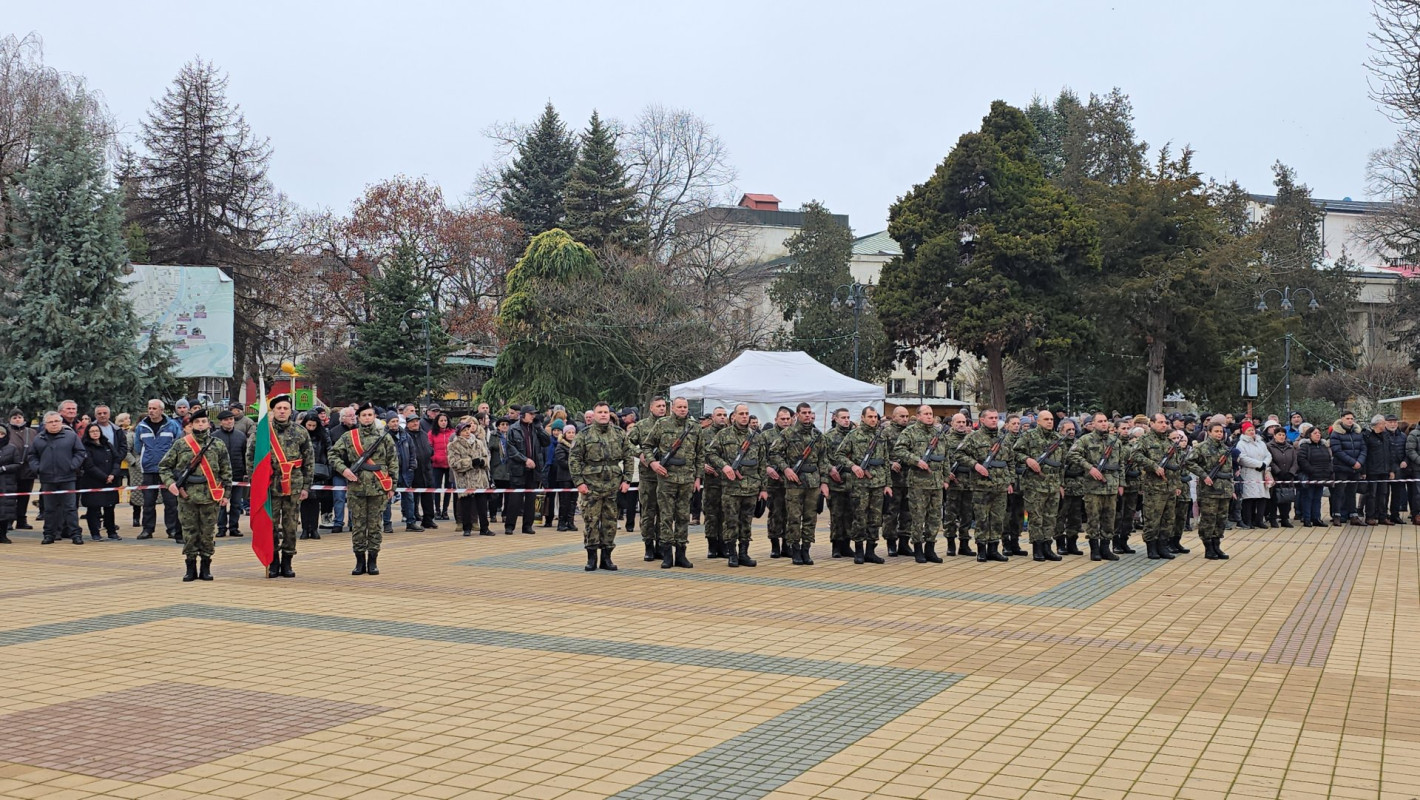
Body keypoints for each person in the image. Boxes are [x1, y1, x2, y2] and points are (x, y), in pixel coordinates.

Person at [157, 408, 231, 581]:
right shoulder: (181, 444)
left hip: (210, 496)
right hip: (187, 496)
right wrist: (170, 484)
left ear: (209, 424)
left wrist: (226, 494)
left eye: (203, 421)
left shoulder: (218, 444)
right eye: (197, 422)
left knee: (207, 533)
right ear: (191, 425)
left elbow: (226, 471)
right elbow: (164, 466)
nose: (201, 425)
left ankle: (206, 567)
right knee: (189, 532)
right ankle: (190, 568)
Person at [247, 395, 314, 578]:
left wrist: (306, 486)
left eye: (285, 408)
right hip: (270, 486)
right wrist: (257, 483)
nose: (282, 411)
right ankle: (273, 561)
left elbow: (309, 460)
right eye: (279, 408)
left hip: (293, 485)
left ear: (291, 411)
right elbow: (251, 458)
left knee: (290, 526)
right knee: (270, 525)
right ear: (273, 411)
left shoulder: (300, 432)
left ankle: (287, 562)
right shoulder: (262, 433)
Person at [330, 403, 396, 576]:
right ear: (358, 418)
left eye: (370, 415)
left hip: (378, 487)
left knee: (374, 526)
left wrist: (392, 486)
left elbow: (393, 462)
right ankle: (359, 561)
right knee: (358, 526)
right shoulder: (349, 437)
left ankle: (373, 561)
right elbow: (333, 455)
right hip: (357, 488)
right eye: (364, 415)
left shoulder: (384, 437)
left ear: (374, 417)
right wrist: (344, 469)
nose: (367, 418)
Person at [569, 402, 631, 571]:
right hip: (591, 486)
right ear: (594, 415)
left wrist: (627, 480)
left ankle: (606, 557)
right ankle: (591, 558)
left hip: (613, 485)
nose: (603, 415)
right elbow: (574, 459)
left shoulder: (619, 433)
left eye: (606, 412)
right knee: (591, 521)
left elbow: (628, 457)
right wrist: (579, 482)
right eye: (600, 412)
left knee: (610, 522)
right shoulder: (584, 434)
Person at [708, 403, 767, 568]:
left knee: (746, 522)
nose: (744, 416)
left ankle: (743, 553)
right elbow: (710, 453)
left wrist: (763, 488)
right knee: (730, 522)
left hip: (751, 487)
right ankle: (732, 554)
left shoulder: (756, 437)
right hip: (731, 488)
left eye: (747, 413)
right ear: (733, 416)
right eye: (741, 413)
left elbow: (763, 463)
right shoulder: (723, 435)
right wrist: (724, 466)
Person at [770, 403, 828, 565]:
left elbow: (823, 460)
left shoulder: (818, 435)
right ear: (797, 415)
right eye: (804, 413)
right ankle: (795, 549)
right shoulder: (787, 433)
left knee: (811, 518)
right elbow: (774, 453)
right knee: (794, 517)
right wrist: (786, 469)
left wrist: (824, 482)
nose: (807, 415)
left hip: (813, 482)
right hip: (794, 482)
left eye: (809, 412)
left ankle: (806, 549)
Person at [646, 397, 701, 569]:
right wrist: (652, 463)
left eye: (685, 407)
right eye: (679, 407)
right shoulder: (662, 424)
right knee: (666, 517)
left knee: (683, 517)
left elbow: (700, 454)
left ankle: (681, 554)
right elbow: (647, 446)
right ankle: (667, 554)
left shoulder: (695, 427)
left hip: (687, 479)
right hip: (667, 478)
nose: (683, 409)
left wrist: (698, 477)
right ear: (673, 408)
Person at [892, 405, 950, 564]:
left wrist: (946, 478)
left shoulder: (938, 433)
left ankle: (930, 549)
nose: (929, 416)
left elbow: (945, 457)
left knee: (935, 517)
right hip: (918, 482)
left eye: (931, 414)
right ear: (918, 416)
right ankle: (918, 548)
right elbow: (899, 450)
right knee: (918, 517)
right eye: (926, 414)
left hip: (936, 482)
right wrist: (916, 461)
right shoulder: (909, 432)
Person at [956, 409, 1016, 563]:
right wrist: (975, 465)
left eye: (996, 417)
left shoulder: (1004, 438)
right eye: (990, 418)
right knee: (982, 519)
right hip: (981, 485)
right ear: (982, 420)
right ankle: (981, 549)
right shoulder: (973, 437)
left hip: (1000, 485)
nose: (994, 420)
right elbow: (959, 454)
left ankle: (994, 549)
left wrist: (1010, 481)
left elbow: (1010, 461)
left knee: (997, 518)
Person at [834, 406, 892, 564]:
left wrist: (888, 484)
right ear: (863, 417)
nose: (873, 419)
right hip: (860, 484)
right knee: (860, 517)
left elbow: (886, 460)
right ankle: (859, 550)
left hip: (878, 482)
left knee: (876, 518)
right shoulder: (854, 435)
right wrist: (853, 466)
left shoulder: (881, 435)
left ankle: (871, 551)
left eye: (875, 417)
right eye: (870, 417)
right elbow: (839, 454)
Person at [1067, 412, 1124, 562]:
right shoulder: (1085, 440)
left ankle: (1106, 548)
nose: (1104, 423)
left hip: (1111, 485)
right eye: (1100, 421)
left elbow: (1121, 464)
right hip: (1093, 486)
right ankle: (1095, 549)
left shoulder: (1115, 441)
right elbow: (1072, 455)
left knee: (1109, 519)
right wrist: (1089, 467)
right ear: (1093, 424)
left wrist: (1121, 483)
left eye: (1105, 421)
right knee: (1093, 518)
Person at [1014, 408, 1065, 561]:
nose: (1050, 422)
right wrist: (1027, 459)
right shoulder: (1029, 436)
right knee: (1036, 518)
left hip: (1053, 484)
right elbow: (1015, 452)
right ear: (1038, 421)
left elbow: (1062, 464)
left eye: (1051, 419)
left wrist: (1061, 484)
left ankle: (1047, 547)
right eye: (1046, 419)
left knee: (1050, 517)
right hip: (1035, 485)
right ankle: (1037, 548)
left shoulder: (1058, 439)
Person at [28, 412, 86, 545]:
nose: (54, 424)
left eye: (56, 421)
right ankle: (49, 535)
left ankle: (75, 535)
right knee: (49, 509)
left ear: (61, 423)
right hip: (47, 479)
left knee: (70, 508)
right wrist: (38, 468)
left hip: (68, 478)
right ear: (45, 424)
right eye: (50, 422)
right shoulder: (38, 439)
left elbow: (80, 452)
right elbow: (32, 456)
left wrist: (73, 465)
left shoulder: (71, 436)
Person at [1128, 413, 1181, 560]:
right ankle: (1151, 547)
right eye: (1160, 422)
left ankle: (1163, 546)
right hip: (1154, 487)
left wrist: (1177, 484)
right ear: (1151, 424)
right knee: (1153, 519)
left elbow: (1176, 465)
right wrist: (1153, 465)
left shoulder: (1169, 442)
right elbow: (1135, 455)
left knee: (1168, 519)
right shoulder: (1145, 440)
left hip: (1169, 486)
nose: (1164, 425)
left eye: (1165, 422)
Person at [133, 399, 184, 540]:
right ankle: (147, 530)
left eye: (154, 408)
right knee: (148, 503)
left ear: (161, 410)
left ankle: (172, 529)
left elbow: (178, 445)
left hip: (168, 470)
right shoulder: (141, 427)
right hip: (149, 470)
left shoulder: (172, 425)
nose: (151, 411)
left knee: (171, 502)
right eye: (149, 408)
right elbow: (138, 447)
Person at [1187, 421, 1235, 560]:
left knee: (1221, 519)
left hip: (1224, 489)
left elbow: (1229, 470)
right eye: (1216, 431)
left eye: (1221, 432)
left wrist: (1231, 488)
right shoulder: (1201, 447)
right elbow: (1189, 462)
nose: (1219, 434)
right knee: (1209, 519)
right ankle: (1208, 547)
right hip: (1209, 490)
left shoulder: (1225, 448)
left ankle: (1217, 545)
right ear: (1209, 432)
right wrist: (1204, 475)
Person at [628, 398, 666, 558]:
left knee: (664, 512)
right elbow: (627, 443)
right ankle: (648, 545)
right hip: (648, 476)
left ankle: (661, 544)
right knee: (648, 512)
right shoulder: (641, 426)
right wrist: (640, 454)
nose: (662, 408)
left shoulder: (670, 425)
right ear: (651, 408)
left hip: (666, 476)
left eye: (664, 406)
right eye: (658, 406)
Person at [504, 405, 550, 535]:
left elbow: (546, 442)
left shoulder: (536, 428)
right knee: (515, 499)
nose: (533, 416)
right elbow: (511, 449)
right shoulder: (514, 429)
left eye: (534, 414)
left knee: (531, 499)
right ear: (523, 415)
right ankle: (510, 525)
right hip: (518, 469)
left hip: (534, 470)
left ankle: (527, 525)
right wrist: (525, 460)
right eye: (531, 414)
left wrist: (539, 427)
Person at [447, 419, 492, 536]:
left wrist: (483, 462)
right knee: (465, 505)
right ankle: (467, 528)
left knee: (482, 505)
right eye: (464, 430)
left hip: (480, 479)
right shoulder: (453, 445)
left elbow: (486, 456)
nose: (467, 432)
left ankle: (485, 528)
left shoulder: (478, 443)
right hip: (464, 480)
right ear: (459, 433)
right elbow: (454, 463)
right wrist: (470, 462)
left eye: (468, 429)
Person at [79, 423, 122, 541]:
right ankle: (95, 533)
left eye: (97, 431)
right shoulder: (85, 447)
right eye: (92, 431)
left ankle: (111, 531)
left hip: (110, 481)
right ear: (88, 433)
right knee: (93, 508)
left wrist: (113, 474)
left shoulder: (107, 444)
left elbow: (117, 459)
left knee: (110, 507)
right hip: (93, 482)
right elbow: (89, 465)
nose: (95, 433)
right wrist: (104, 477)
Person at [760, 407, 793, 558]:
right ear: (776, 420)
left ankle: (787, 544)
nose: (785, 421)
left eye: (788, 419)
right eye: (782, 419)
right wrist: (767, 467)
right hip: (773, 481)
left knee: (790, 513)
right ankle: (774, 545)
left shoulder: (795, 435)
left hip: (791, 481)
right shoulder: (766, 435)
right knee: (775, 513)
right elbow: (760, 456)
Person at [942, 412, 975, 557]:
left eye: (964, 422)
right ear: (952, 423)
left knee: (967, 514)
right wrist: (946, 473)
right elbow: (942, 458)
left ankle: (964, 544)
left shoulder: (971, 439)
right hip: (953, 481)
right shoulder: (946, 439)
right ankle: (950, 543)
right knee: (951, 513)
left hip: (969, 481)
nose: (961, 425)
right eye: (958, 422)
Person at [824, 408, 855, 559]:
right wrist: (830, 469)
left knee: (850, 514)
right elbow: (822, 458)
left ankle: (847, 545)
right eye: (843, 417)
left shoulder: (855, 435)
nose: (846, 420)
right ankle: (836, 546)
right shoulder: (828, 436)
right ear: (835, 419)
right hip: (836, 481)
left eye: (848, 417)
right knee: (836, 515)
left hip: (852, 481)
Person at [880, 406, 911, 557]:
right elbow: (880, 453)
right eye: (901, 416)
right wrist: (891, 463)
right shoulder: (886, 433)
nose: (905, 419)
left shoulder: (910, 432)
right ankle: (891, 542)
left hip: (909, 479)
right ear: (894, 417)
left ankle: (904, 543)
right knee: (891, 513)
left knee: (908, 513)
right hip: (893, 480)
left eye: (907, 416)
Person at [213, 410, 248, 538]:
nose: (229, 422)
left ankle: (234, 527)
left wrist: (245, 472)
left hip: (237, 474)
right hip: (220, 476)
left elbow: (244, 455)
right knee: (221, 503)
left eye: (231, 419)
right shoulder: (214, 437)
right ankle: (221, 528)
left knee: (236, 503)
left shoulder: (241, 436)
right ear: (221, 422)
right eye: (226, 420)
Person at [1328, 411, 1366, 525]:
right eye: (1347, 418)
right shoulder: (1335, 433)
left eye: (1351, 418)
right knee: (1339, 493)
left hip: (1355, 468)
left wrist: (1359, 462)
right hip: (1341, 468)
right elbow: (1337, 451)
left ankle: (1353, 516)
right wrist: (1352, 462)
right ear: (1342, 419)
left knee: (1352, 493)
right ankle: (1337, 515)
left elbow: (1363, 449)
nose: (1350, 421)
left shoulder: (1357, 433)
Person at [698, 408, 728, 555]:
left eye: (724, 415)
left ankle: (724, 544)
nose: (722, 418)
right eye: (719, 415)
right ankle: (712, 544)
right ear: (712, 418)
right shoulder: (704, 434)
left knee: (726, 513)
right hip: (711, 481)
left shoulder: (730, 433)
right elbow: (696, 453)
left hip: (728, 481)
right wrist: (702, 466)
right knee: (711, 513)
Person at [299, 412, 331, 541]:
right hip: (302, 471)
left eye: (314, 425)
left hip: (319, 471)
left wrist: (327, 465)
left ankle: (314, 528)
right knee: (304, 501)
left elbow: (329, 451)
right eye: (309, 425)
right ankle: (305, 528)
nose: (311, 428)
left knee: (315, 501)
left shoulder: (323, 435)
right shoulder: (300, 435)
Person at [1235, 421, 1272, 529]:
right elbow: (1243, 458)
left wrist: (1264, 464)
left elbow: (1268, 455)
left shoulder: (1261, 442)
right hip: (1249, 473)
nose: (1251, 432)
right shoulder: (1241, 443)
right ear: (1244, 432)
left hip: (1262, 472)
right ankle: (1248, 520)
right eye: (1249, 430)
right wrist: (1259, 464)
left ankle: (1259, 520)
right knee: (1249, 498)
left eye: (1252, 430)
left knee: (1262, 497)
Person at [328, 407, 358, 533]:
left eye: (354, 415)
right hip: (339, 471)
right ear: (342, 418)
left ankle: (353, 522)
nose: (353, 417)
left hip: (356, 470)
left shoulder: (359, 431)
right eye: (350, 415)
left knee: (354, 497)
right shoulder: (334, 432)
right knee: (339, 498)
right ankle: (338, 522)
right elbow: (331, 452)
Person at [8, 409, 36, 529]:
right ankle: (8, 521)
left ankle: (21, 520)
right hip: (10, 470)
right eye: (14, 418)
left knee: (24, 496)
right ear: (10, 419)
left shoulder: (32, 432)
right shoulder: (6, 431)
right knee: (9, 497)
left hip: (27, 470)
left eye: (19, 417)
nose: (17, 419)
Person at [1266, 424, 1298, 528]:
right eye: (1279, 434)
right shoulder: (1269, 446)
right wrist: (1278, 471)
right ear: (1274, 436)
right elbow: (1270, 460)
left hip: (1288, 477)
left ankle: (1285, 519)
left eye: (1283, 435)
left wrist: (1291, 472)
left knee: (1287, 499)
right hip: (1275, 476)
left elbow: (1295, 461)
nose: (1281, 437)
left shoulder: (1290, 447)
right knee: (1274, 499)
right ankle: (1273, 518)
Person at [548, 423, 577, 531]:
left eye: (573, 432)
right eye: (569, 432)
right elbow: (561, 461)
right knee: (564, 501)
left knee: (573, 501)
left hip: (575, 477)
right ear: (564, 434)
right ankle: (561, 522)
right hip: (564, 477)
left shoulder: (577, 445)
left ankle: (570, 521)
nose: (571, 434)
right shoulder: (560, 446)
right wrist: (574, 465)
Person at [429, 412, 455, 521]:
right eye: (441, 420)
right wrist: (434, 458)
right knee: (437, 488)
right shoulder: (432, 433)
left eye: (445, 420)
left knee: (449, 488)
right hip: (437, 464)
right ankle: (437, 510)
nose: (443, 422)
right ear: (437, 422)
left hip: (449, 464)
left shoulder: (453, 433)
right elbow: (429, 448)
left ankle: (445, 510)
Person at [0, 425, 20, 543]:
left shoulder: (12, 448)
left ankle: (3, 534)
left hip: (7, 483)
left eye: (2, 434)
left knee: (5, 509)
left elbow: (17, 464)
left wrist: (4, 468)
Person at [489, 417, 510, 525]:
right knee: (495, 495)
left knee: (508, 495)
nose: (505, 426)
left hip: (508, 469)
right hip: (496, 467)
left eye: (507, 424)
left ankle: (505, 514)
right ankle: (493, 514)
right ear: (498, 426)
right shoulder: (493, 436)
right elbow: (490, 448)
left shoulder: (511, 436)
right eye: (502, 424)